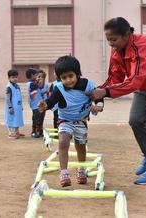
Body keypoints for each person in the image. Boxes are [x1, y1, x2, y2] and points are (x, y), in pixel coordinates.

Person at [90, 17, 146, 185]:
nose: (111, 44)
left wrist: (106, 92)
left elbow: (135, 81)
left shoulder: (142, 46)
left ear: (126, 35)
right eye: (108, 40)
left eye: (114, 39)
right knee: (136, 120)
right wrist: (99, 94)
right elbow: (115, 77)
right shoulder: (117, 49)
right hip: (145, 83)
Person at [38, 55, 104, 187]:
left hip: (81, 120)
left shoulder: (86, 85)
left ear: (77, 74)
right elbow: (51, 102)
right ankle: (64, 172)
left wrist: (99, 106)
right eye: (64, 78)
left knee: (80, 146)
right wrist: (44, 105)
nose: (68, 80)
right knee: (63, 142)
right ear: (59, 78)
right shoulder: (59, 89)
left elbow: (98, 96)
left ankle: (81, 169)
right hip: (65, 120)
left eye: (70, 76)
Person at [4, 69, 24, 139]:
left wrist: (21, 106)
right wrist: (10, 107)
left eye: (16, 77)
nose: (15, 79)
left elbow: (19, 96)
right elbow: (7, 98)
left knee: (17, 119)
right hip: (12, 107)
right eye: (13, 77)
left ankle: (16, 131)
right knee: (11, 119)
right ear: (9, 78)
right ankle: (11, 133)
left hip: (17, 107)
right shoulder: (9, 87)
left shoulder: (17, 86)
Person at [26, 68, 42, 138]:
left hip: (36, 104)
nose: (37, 76)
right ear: (32, 75)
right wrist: (40, 79)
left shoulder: (32, 83)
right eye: (36, 75)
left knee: (38, 118)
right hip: (35, 105)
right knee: (36, 119)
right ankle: (34, 132)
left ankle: (38, 131)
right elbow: (40, 85)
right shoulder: (32, 84)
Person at [37, 70, 48, 136]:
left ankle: (40, 130)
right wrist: (45, 91)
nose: (40, 78)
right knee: (38, 117)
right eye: (39, 76)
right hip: (38, 103)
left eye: (42, 77)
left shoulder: (46, 85)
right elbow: (40, 92)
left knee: (42, 117)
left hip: (44, 103)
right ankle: (37, 131)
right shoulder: (37, 85)